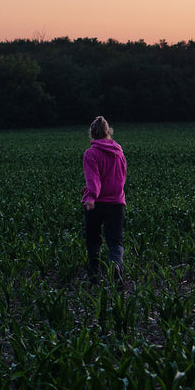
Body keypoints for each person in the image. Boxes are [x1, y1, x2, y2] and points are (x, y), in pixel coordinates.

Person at [81, 115, 127, 286]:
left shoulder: (91, 153)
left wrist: (91, 197)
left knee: (93, 240)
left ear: (92, 133)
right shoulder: (119, 152)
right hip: (116, 202)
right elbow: (121, 177)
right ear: (108, 132)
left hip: (97, 203)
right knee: (115, 241)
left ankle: (94, 277)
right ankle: (116, 267)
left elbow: (94, 179)